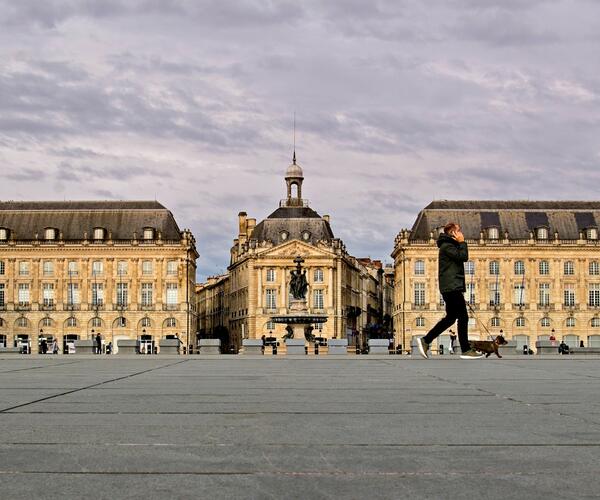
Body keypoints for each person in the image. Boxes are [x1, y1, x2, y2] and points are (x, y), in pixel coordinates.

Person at [416, 222, 483, 360]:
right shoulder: (447, 247)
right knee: (463, 317)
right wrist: (462, 242)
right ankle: (465, 350)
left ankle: (426, 340)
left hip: (451, 286)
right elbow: (463, 257)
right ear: (453, 233)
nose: (461, 233)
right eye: (459, 231)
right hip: (451, 287)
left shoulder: (448, 246)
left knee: (451, 318)